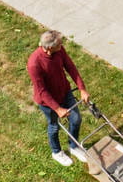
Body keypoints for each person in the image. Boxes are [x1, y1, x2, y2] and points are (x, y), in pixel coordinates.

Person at [28, 30, 90, 165]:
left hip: (64, 92)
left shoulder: (59, 51)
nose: (62, 45)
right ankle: (56, 152)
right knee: (54, 126)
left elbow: (71, 67)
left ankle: (73, 147)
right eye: (59, 44)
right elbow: (42, 91)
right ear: (50, 47)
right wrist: (57, 109)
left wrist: (82, 88)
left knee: (76, 118)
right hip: (48, 102)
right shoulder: (34, 63)